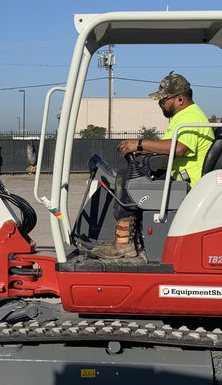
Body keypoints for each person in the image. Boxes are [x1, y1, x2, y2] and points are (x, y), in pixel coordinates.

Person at [91, 72, 214, 259]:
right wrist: (144, 150)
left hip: (185, 183)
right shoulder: (184, 116)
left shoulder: (191, 116)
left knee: (128, 181)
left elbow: (180, 148)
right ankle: (131, 238)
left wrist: (140, 144)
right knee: (129, 176)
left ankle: (124, 242)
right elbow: (169, 147)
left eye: (163, 100)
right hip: (178, 176)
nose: (161, 105)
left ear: (180, 98)